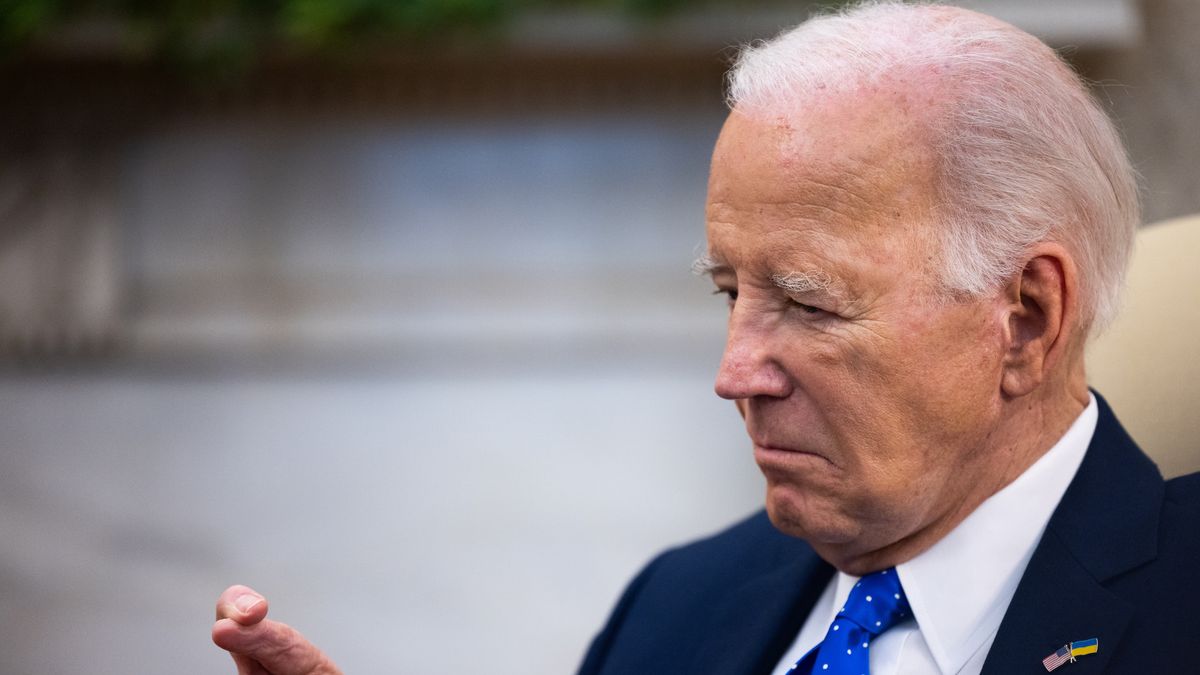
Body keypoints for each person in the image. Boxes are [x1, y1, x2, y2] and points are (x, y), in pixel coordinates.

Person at [211, 2, 1200, 674]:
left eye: (809, 305)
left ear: (1025, 317)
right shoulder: (678, 609)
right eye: (730, 290)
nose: (734, 375)